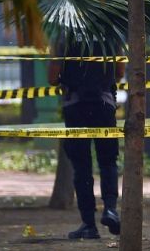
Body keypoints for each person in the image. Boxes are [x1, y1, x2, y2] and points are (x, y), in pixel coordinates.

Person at [49, 42, 122, 240]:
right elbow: (120, 71)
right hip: (104, 104)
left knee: (82, 167)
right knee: (108, 161)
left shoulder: (66, 33)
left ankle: (88, 224)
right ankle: (110, 209)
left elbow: (53, 77)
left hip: (75, 106)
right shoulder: (109, 31)